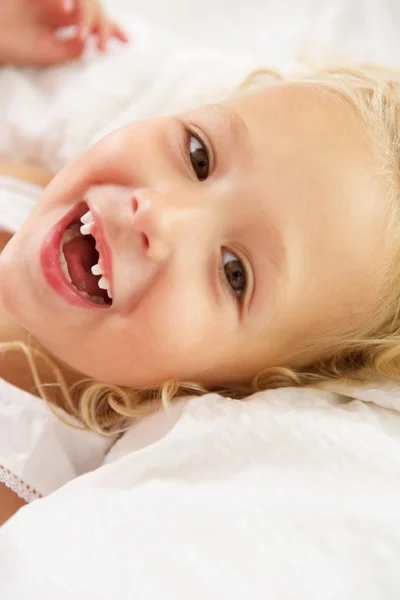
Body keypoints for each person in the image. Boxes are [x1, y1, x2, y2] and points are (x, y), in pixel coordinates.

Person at [1, 0, 400, 526]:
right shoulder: (25, 188)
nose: (161, 216)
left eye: (235, 273)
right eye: (198, 155)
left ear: (246, 383)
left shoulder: (20, 470)